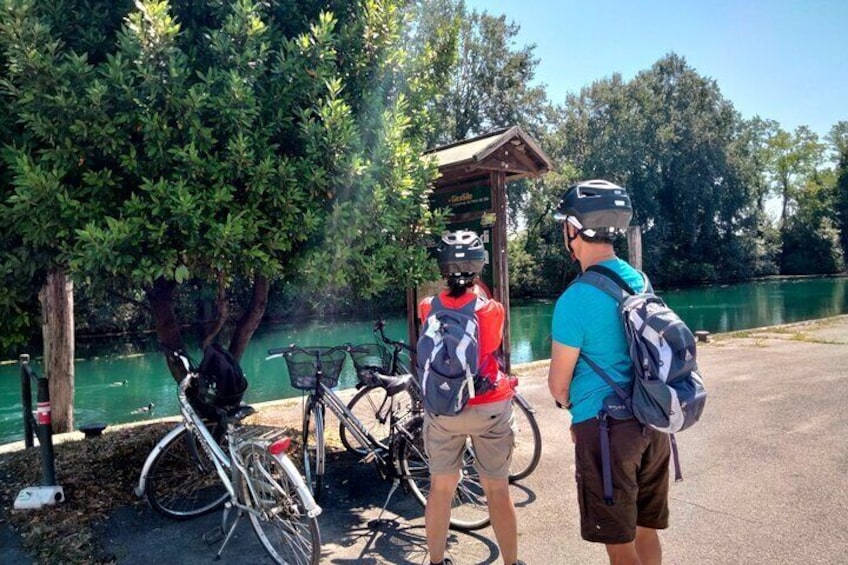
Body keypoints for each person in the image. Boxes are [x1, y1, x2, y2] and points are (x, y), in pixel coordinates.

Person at [547, 180, 671, 565]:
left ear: (574, 229)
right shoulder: (640, 281)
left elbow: (557, 385)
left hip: (608, 433)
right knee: (645, 530)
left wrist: (576, 410)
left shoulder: (575, 299)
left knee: (619, 545)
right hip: (654, 421)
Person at [418, 230, 524, 565]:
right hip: (488, 405)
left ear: (442, 268)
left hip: (444, 408)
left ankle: (436, 561)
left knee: (441, 488)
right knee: (497, 488)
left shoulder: (426, 307)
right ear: (478, 267)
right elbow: (490, 349)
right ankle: (511, 563)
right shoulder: (492, 310)